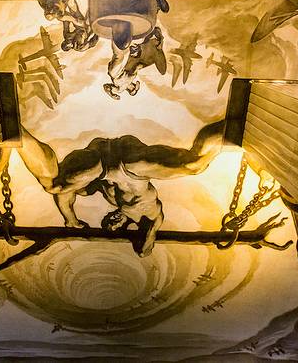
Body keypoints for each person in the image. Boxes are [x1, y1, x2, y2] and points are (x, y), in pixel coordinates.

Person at [16, 120, 225, 257]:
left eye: (108, 223)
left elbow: (67, 193)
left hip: (104, 161)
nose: (112, 222)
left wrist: (71, 219)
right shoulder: (143, 212)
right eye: (115, 226)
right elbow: (146, 244)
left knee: (55, 186)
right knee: (194, 165)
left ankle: (17, 133)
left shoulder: (99, 192)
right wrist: (144, 243)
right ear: (126, 224)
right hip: (132, 168)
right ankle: (233, 125)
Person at [104, 26, 167, 100]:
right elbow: (137, 67)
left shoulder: (120, 89)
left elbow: (107, 87)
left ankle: (116, 30)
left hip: (115, 73)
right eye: (134, 86)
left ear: (131, 89)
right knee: (121, 54)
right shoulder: (128, 81)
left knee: (119, 55)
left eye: (133, 87)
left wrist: (112, 94)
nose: (133, 85)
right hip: (118, 71)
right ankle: (118, 31)